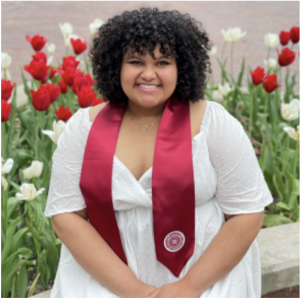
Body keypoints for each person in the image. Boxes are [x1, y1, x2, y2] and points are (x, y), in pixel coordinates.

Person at [44, 7, 273, 298]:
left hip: (205, 279)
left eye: (163, 62)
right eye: (135, 61)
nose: (148, 74)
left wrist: (188, 288)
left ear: (182, 67)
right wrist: (135, 291)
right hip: (103, 280)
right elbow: (66, 216)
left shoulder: (214, 124)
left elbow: (247, 213)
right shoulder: (82, 128)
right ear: (116, 66)